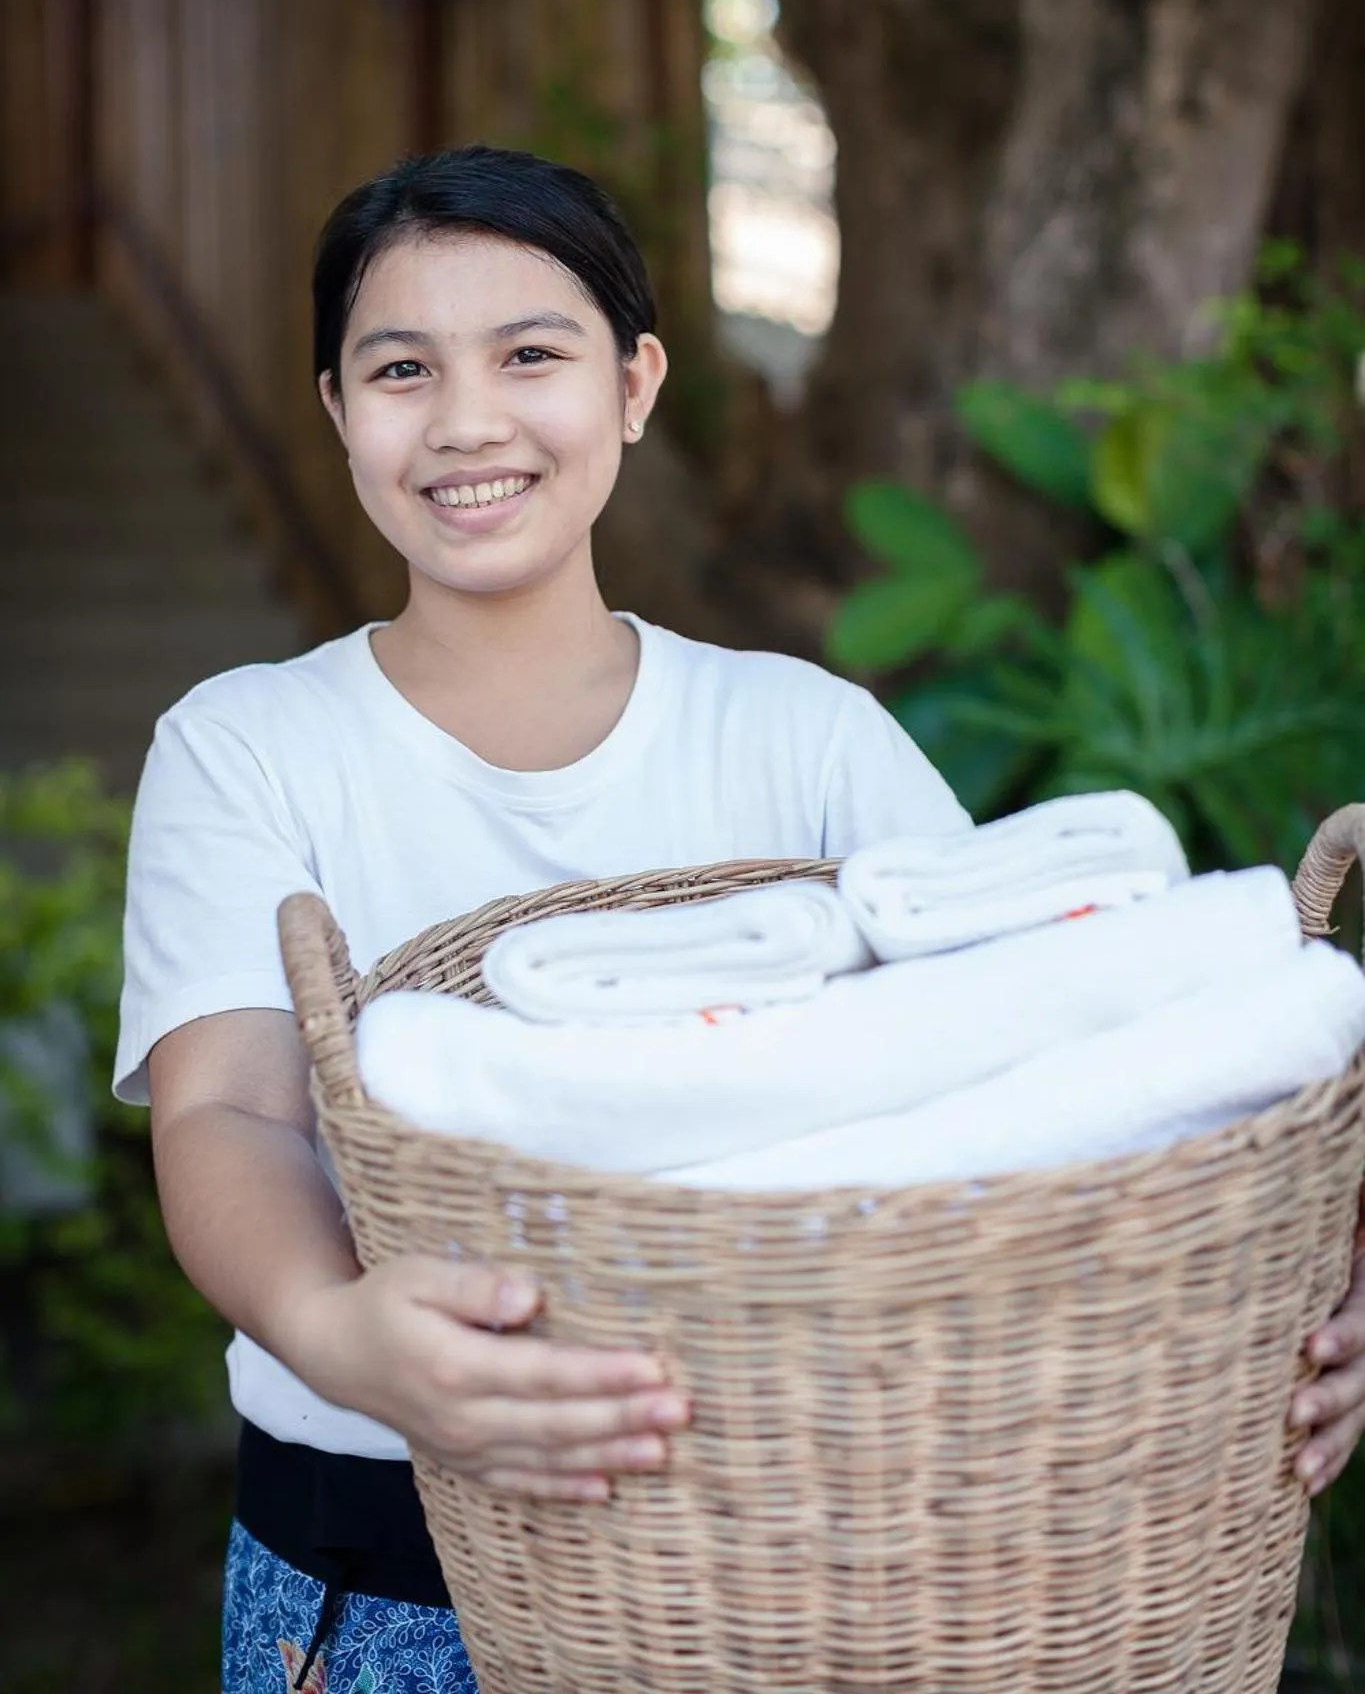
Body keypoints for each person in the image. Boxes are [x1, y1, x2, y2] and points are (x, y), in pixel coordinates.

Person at [117, 146, 1365, 1694]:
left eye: (531, 354)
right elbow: (231, 1107)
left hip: (825, 1572)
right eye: (399, 369)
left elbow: (1060, 1081)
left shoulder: (807, 736)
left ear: (635, 385)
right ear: (336, 411)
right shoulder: (247, 743)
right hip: (387, 1577)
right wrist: (337, 1326)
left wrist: (1302, 1292)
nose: (466, 422)